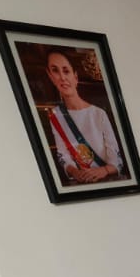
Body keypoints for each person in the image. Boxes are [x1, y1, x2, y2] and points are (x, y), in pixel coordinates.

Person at [43, 49, 125, 185]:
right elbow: (63, 155)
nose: (62, 77)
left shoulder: (98, 114)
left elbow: (117, 160)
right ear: (50, 76)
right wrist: (75, 172)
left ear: (75, 77)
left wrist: (104, 170)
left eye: (66, 71)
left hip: (107, 181)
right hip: (81, 183)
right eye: (55, 71)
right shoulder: (56, 116)